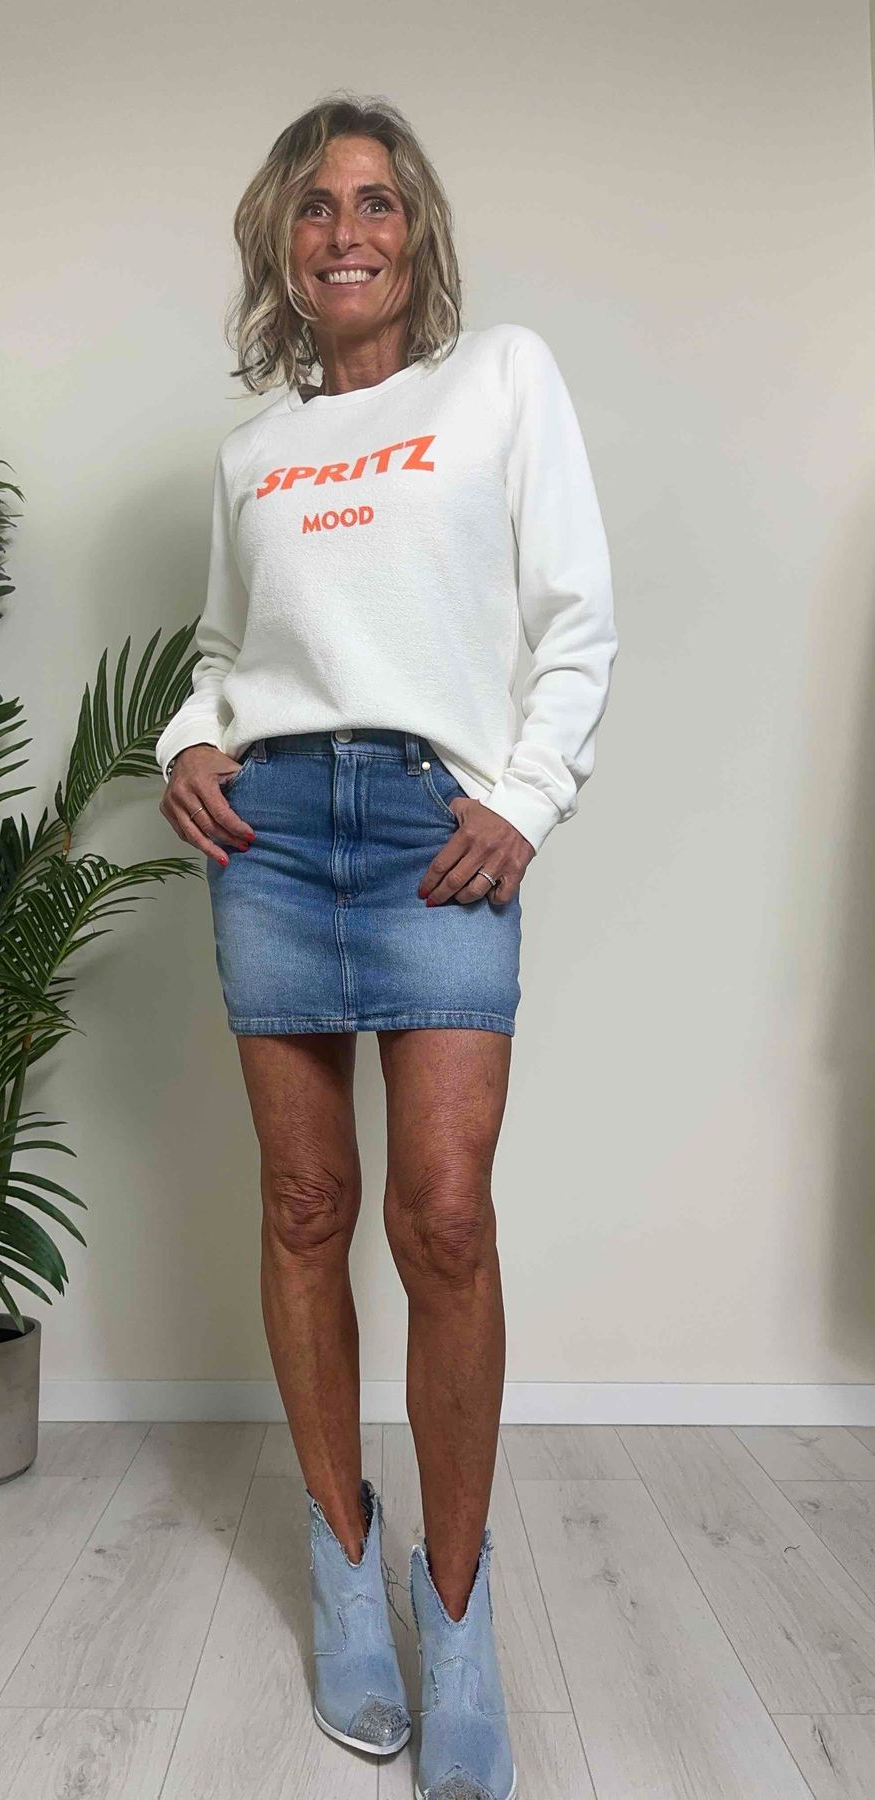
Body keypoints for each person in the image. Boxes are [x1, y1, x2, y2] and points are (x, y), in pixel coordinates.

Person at [157, 90, 617, 1800]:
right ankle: (345, 1561)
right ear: (279, 247)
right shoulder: (251, 455)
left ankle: (458, 1607)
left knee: (443, 1218)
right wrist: (183, 746)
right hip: (273, 835)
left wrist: (527, 796)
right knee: (302, 1206)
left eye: (374, 202)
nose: (343, 231)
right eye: (313, 206)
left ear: (414, 233)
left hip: (432, 826)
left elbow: (574, 616)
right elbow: (221, 652)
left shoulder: (500, 380)